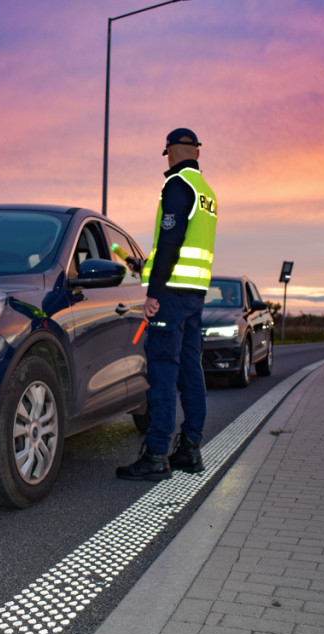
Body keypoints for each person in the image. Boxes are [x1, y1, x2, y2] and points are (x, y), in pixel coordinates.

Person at [117, 127, 217, 481]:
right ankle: (190, 449)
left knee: (162, 371)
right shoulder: (207, 193)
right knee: (191, 372)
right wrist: (144, 268)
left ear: (171, 152)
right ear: (197, 153)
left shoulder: (177, 186)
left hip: (171, 295)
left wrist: (153, 292)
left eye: (168, 154)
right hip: (194, 295)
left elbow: (171, 241)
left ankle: (157, 454)